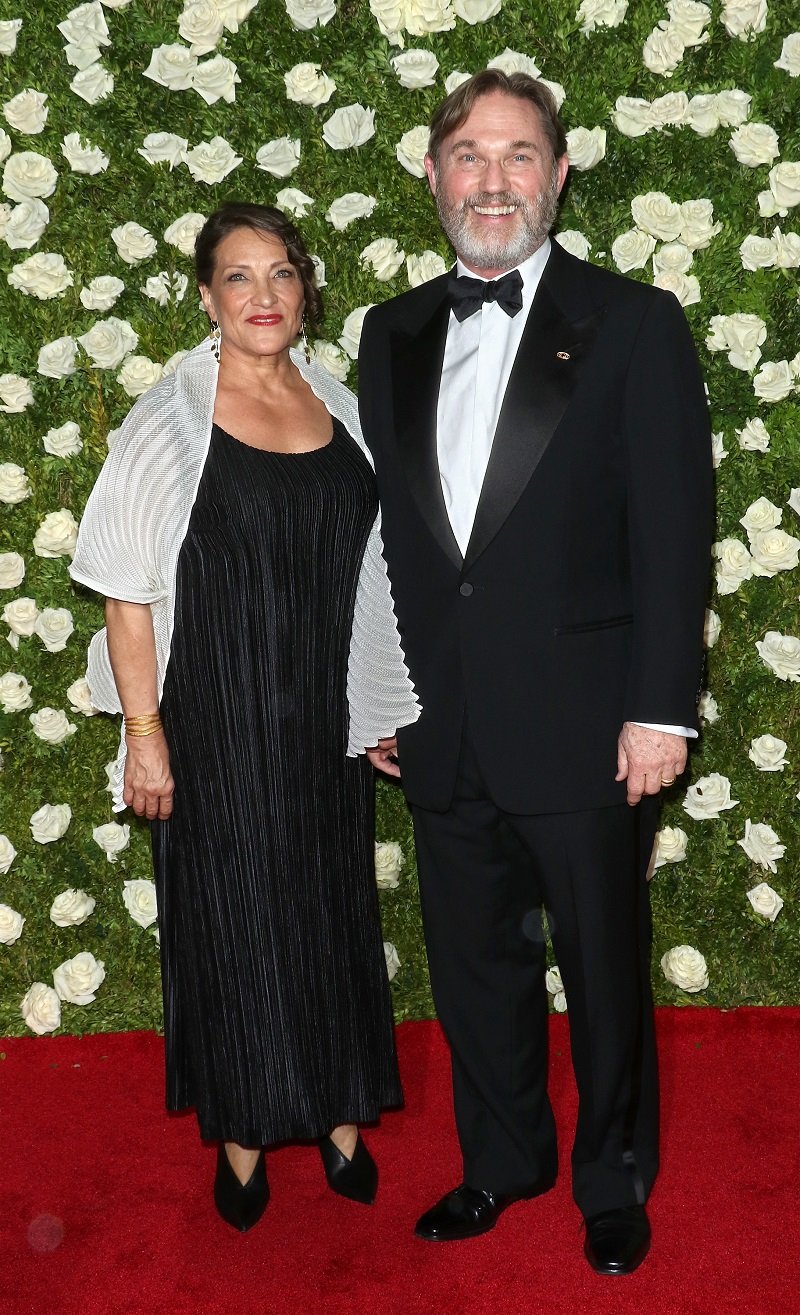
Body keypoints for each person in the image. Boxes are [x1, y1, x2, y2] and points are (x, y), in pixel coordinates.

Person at [357, 71, 713, 1274]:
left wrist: (658, 709)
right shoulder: (389, 331)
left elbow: (672, 534)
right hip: (439, 722)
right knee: (473, 969)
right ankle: (500, 1160)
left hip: (584, 723)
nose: (492, 179)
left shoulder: (633, 322)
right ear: (431, 175)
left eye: (518, 155)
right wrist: (380, 692)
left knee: (602, 969)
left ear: (557, 176)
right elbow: (383, 542)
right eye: (468, 154)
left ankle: (610, 1177)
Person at [70, 202, 420, 1233]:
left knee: (327, 906)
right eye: (237, 276)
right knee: (232, 923)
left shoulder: (343, 405)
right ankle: (243, 1134)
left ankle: (340, 1114)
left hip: (322, 714)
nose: (262, 296)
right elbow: (123, 587)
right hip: (214, 716)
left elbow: (379, 572)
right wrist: (145, 733)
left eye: (279, 274)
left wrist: (384, 699)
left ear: (305, 288)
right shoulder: (170, 415)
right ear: (205, 296)